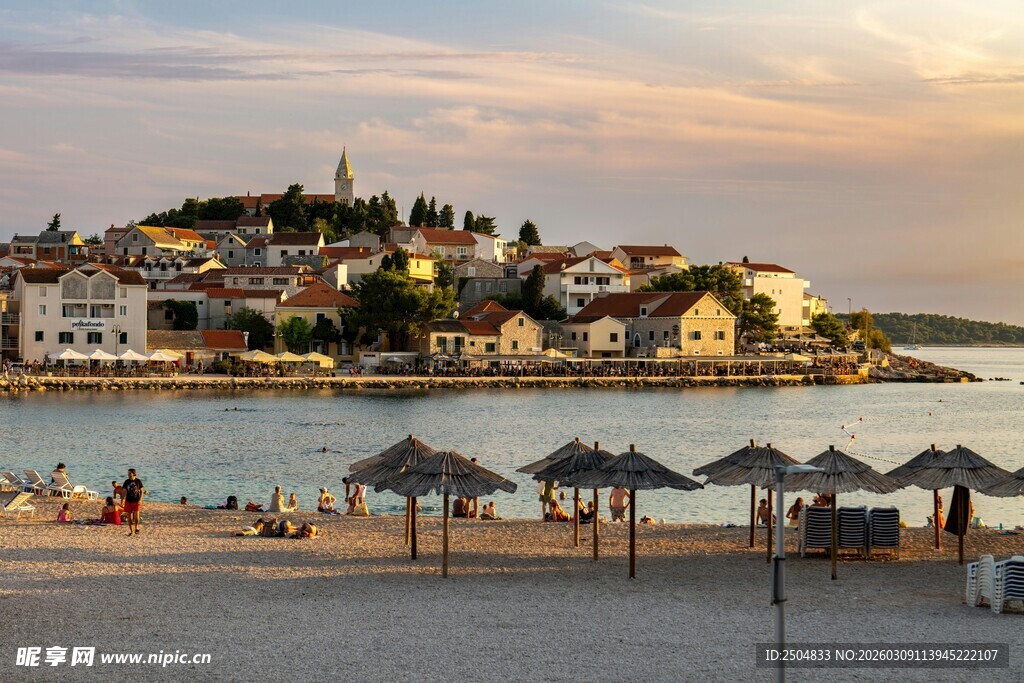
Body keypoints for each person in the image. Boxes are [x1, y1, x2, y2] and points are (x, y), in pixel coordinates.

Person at [122, 468, 144, 536]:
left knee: (136, 517)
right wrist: (122, 499)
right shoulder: (126, 482)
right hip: (128, 501)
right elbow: (124, 491)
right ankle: (132, 532)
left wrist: (140, 499)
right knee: (129, 518)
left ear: (133, 473)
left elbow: (141, 491)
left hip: (136, 501)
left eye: (130, 473)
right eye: (128, 473)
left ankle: (136, 527)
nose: (128, 474)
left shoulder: (138, 481)